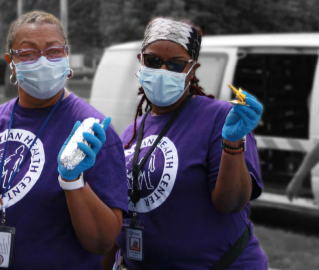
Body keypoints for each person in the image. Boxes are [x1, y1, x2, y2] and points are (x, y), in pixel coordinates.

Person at [0, 11, 127, 269]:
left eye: (54, 51)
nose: (43, 61)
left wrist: (73, 182)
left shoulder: (91, 133)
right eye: (28, 52)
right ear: (11, 62)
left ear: (66, 56)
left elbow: (102, 243)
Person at [104, 18, 268, 270]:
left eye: (176, 65)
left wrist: (233, 143)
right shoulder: (131, 132)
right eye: (153, 61)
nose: (162, 70)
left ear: (191, 70)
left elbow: (232, 204)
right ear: (141, 61)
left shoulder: (219, 119)